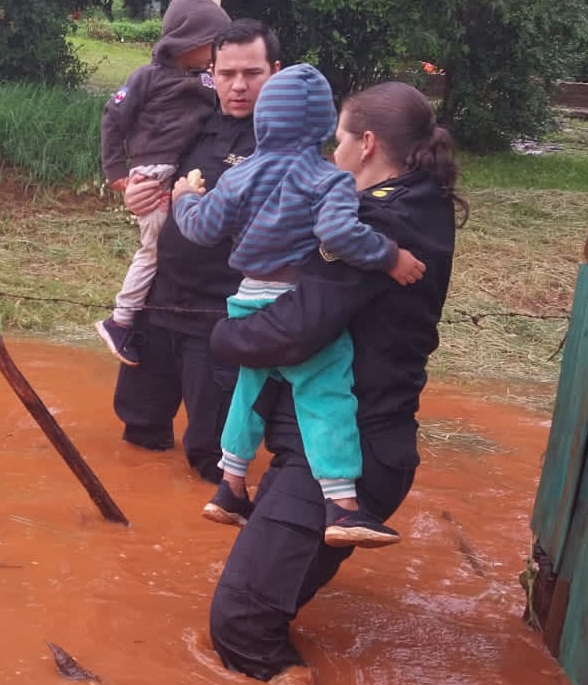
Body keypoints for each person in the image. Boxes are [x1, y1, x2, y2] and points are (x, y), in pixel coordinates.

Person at [203, 81, 463, 680]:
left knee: (240, 624)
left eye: (338, 141)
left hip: (349, 452)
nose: (330, 156)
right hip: (345, 446)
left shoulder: (374, 225)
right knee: (261, 597)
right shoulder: (422, 202)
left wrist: (218, 336)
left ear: (366, 144)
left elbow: (291, 330)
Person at [169, 64, 426, 547]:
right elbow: (338, 234)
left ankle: (229, 488)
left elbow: (201, 228)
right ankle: (343, 506)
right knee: (326, 396)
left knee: (249, 394)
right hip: (292, 304)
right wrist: (389, 256)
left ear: (264, 117)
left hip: (245, 300)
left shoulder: (238, 176)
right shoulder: (328, 180)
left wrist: (183, 198)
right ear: (322, 124)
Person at [112, 19, 281, 482]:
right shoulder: (195, 119)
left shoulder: (286, 145)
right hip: (161, 301)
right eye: (226, 74)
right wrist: (135, 192)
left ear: (276, 72)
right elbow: (149, 163)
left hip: (224, 316)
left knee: (211, 456)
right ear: (212, 73)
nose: (239, 86)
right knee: (140, 431)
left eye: (252, 73)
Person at [94, 0, 233, 366]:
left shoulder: (206, 82)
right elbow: (113, 116)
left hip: (176, 175)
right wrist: (116, 172)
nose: (216, 53)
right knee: (154, 250)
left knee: (168, 241)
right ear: (187, 42)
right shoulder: (146, 77)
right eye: (212, 45)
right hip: (152, 173)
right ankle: (120, 320)